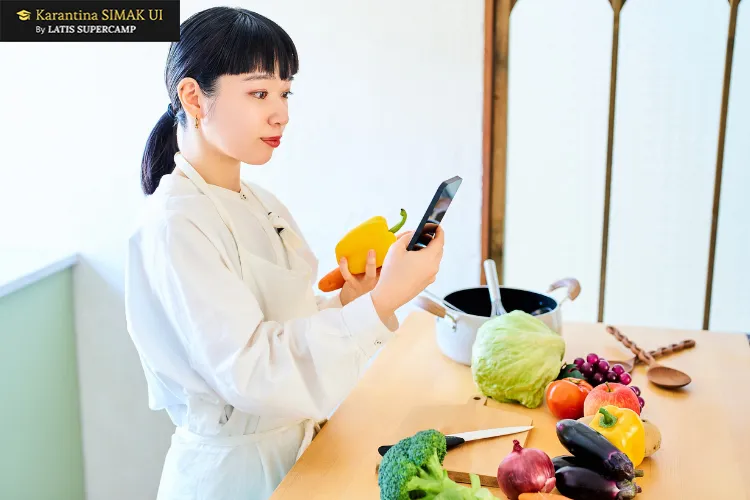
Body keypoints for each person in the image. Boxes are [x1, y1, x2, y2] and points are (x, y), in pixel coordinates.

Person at [124, 7, 445, 500]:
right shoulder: (174, 223)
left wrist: (353, 300)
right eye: (259, 93)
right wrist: (382, 303)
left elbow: (283, 319)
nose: (281, 113)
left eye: (285, 92)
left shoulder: (260, 201)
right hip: (232, 478)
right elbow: (250, 370)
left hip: (299, 454)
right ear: (193, 97)